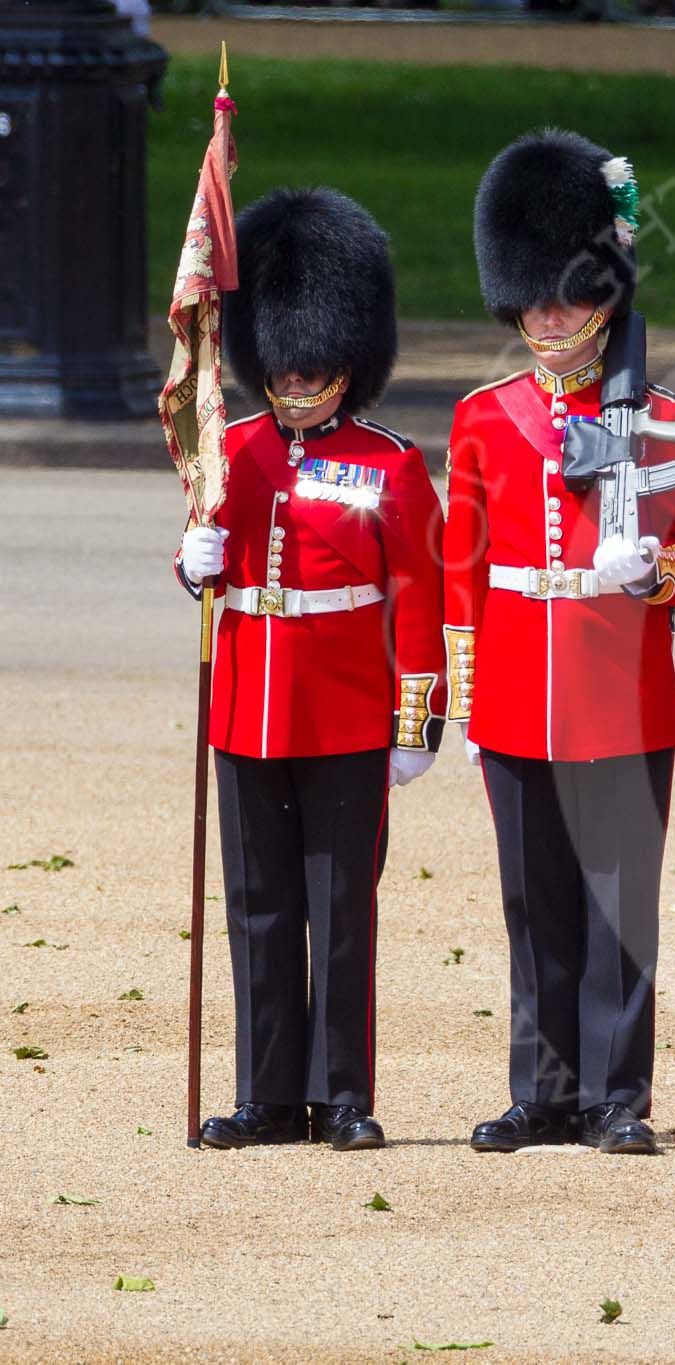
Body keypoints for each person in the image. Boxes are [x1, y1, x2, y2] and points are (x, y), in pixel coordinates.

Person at [447, 130, 675, 1156]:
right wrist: (466, 696)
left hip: (622, 690)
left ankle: (617, 1094)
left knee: (618, 908)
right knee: (535, 904)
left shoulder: (661, 415)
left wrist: (649, 575)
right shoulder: (484, 418)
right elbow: (460, 572)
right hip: (519, 686)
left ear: (603, 298)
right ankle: (544, 1089)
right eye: (534, 301)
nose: (549, 318)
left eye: (567, 296)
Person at [180, 187, 444, 1152]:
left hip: (347, 714)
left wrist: (415, 724)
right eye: (282, 365)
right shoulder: (231, 451)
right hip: (248, 706)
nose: (296, 381)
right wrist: (191, 560)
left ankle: (341, 1093)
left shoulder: (392, 464)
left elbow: (420, 594)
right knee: (257, 905)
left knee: (339, 907)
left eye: (315, 366)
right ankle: (266, 1094)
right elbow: (205, 555)